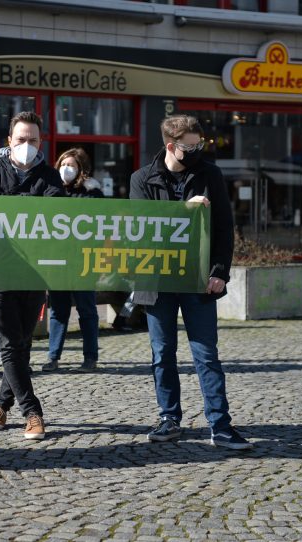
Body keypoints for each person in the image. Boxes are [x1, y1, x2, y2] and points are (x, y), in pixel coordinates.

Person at [129, 115, 252, 450]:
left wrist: (219, 272)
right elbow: (143, 226)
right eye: (190, 146)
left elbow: (225, 228)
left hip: (198, 278)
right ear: (172, 146)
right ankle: (169, 418)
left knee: (206, 353)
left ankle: (220, 424)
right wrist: (185, 209)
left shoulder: (209, 173)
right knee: (162, 352)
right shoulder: (142, 178)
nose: (197, 150)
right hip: (155, 277)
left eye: (200, 144)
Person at [0, 111, 64, 440]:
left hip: (36, 270)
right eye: (21, 140)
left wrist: (18, 203)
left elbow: (55, 210)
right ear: (9, 142)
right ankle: (33, 412)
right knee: (11, 344)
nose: (27, 145)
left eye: (33, 140)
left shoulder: (50, 176)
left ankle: (0, 405)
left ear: (41, 143)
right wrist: (30, 203)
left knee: (22, 343)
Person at [42, 147, 103, 373]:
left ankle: (90, 357)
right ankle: (53, 357)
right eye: (63, 165)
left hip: (82, 260)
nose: (66, 169)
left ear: (81, 169)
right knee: (58, 310)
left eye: (72, 165)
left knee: (87, 310)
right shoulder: (51, 190)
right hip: (57, 260)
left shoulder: (91, 193)